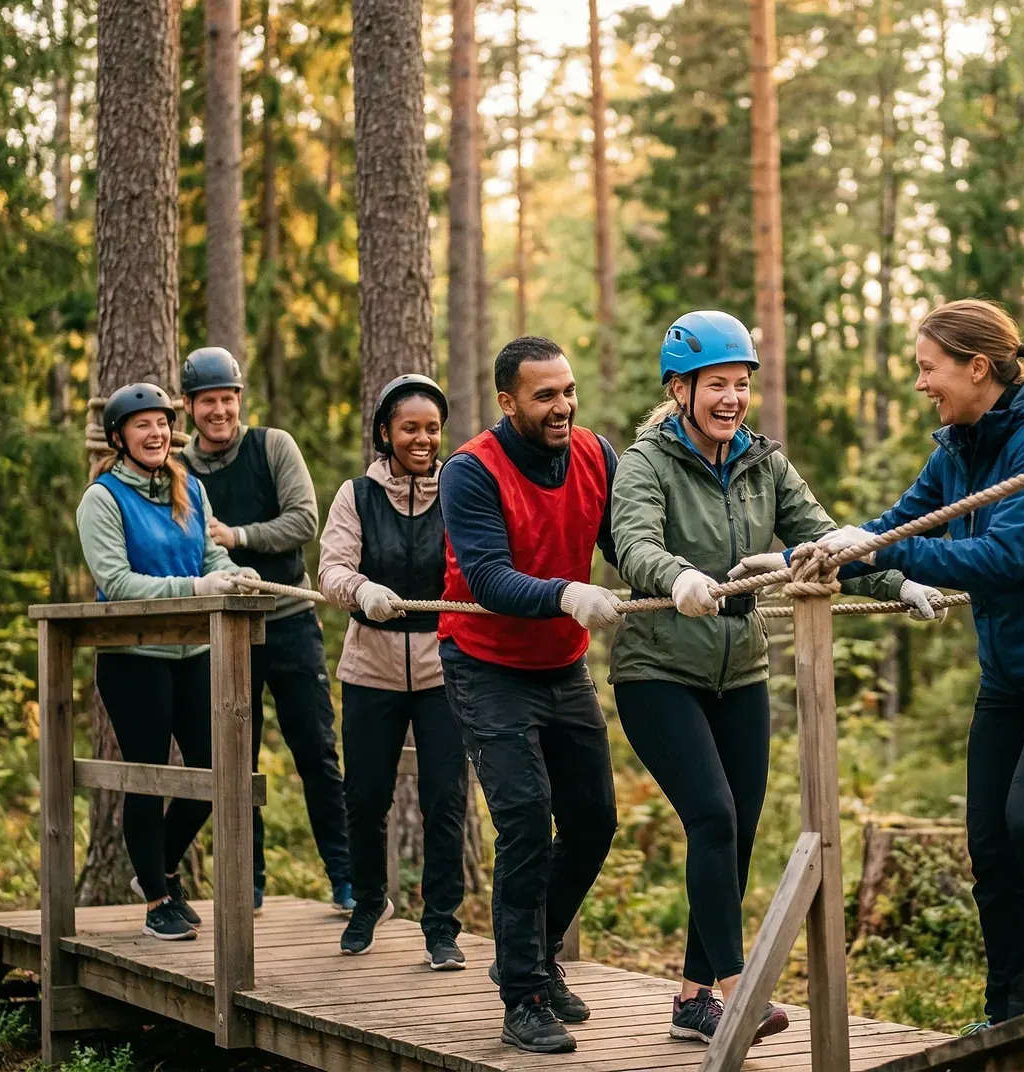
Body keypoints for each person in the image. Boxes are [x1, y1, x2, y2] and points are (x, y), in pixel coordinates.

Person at [610, 310, 944, 1045]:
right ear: (679, 388)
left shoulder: (765, 463)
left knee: (736, 832)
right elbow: (633, 542)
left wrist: (897, 583)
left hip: (741, 673)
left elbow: (824, 541)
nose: (731, 399)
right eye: (715, 385)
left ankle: (694, 999)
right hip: (659, 671)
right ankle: (740, 991)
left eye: (740, 384)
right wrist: (678, 577)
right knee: (713, 817)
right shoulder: (645, 464)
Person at [808, 299, 1024, 1025]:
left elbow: (1003, 558)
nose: (923, 384)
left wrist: (872, 548)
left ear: (977, 367)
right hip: (1012, 673)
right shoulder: (956, 447)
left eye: (930, 369)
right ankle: (1012, 1013)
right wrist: (818, 549)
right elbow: (899, 524)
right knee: (991, 844)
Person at [438, 337, 622, 1055]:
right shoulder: (470, 471)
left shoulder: (595, 454)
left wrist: (683, 579)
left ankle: (535, 953)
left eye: (568, 390)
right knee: (523, 819)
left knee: (594, 820)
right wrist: (569, 593)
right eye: (545, 395)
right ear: (508, 401)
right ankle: (523, 995)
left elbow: (621, 542)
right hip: (486, 663)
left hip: (561, 662)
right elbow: (486, 578)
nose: (563, 406)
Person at [178, 346, 355, 917]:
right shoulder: (178, 465)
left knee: (317, 752)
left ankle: (347, 879)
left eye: (228, 399)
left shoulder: (272, 446)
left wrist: (237, 537)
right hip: (222, 635)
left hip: (287, 622)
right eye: (208, 401)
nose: (220, 411)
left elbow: (304, 519)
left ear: (239, 399)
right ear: (189, 407)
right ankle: (246, 884)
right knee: (235, 758)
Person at [76, 382, 256, 941]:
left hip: (195, 651)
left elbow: (209, 552)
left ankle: (164, 868)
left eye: (161, 424)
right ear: (119, 437)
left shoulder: (189, 489)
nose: (155, 434)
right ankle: (156, 899)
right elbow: (117, 582)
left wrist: (234, 572)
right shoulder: (102, 499)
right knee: (149, 773)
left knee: (216, 766)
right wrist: (200, 584)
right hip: (135, 657)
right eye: (141, 425)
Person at [317, 374, 471, 970]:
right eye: (410, 428)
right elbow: (331, 570)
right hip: (369, 665)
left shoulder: (458, 491)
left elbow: (475, 563)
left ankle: (441, 927)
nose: (423, 439)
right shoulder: (355, 495)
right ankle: (367, 901)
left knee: (445, 797)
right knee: (365, 795)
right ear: (385, 431)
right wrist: (363, 590)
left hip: (442, 668)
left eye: (432, 428)